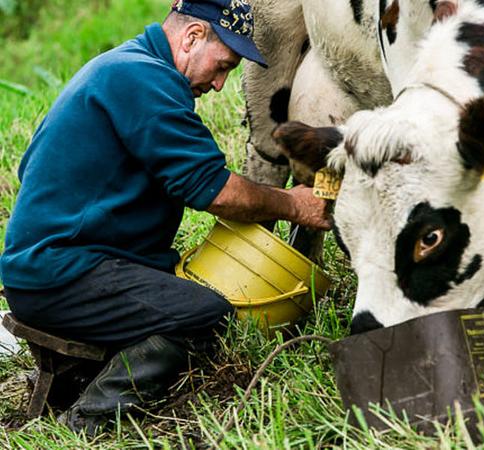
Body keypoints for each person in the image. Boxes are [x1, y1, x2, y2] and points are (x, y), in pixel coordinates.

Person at [0, 0, 330, 434]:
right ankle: (84, 423)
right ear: (193, 37)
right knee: (204, 312)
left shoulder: (123, 65)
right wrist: (295, 205)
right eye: (223, 65)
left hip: (52, 266)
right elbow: (213, 190)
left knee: (177, 293)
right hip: (59, 274)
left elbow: (30, 167)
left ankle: (82, 378)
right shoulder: (145, 80)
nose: (219, 84)